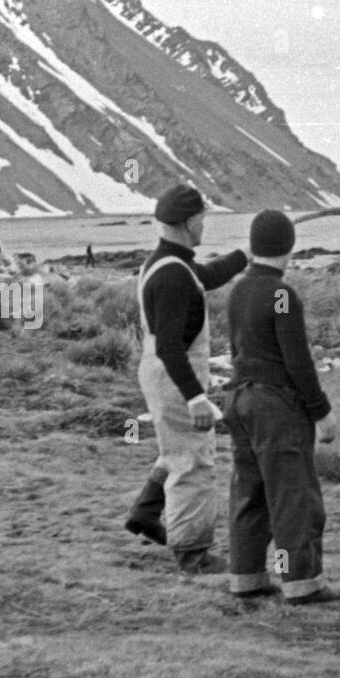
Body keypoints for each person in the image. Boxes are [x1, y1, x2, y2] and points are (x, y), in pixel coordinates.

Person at [124, 185, 248, 573]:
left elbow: (206, 275)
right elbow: (171, 348)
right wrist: (196, 397)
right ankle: (192, 554)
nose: (204, 225)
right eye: (203, 219)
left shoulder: (165, 263)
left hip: (160, 374)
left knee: (176, 449)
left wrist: (247, 256)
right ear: (191, 221)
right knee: (193, 461)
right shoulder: (175, 275)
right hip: (174, 377)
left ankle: (145, 513)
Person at [223, 210, 340, 605]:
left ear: (255, 246)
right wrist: (320, 410)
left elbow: (238, 350)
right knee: (293, 495)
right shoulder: (280, 294)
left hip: (238, 399)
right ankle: (301, 583)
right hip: (274, 406)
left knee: (250, 491)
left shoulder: (238, 289)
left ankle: (247, 577)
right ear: (290, 247)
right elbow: (297, 361)